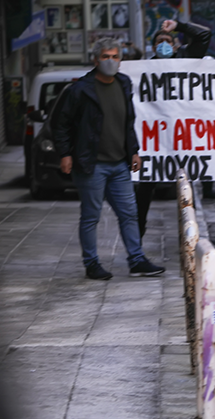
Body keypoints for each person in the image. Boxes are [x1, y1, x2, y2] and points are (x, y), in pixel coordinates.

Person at [53, 38, 165, 280]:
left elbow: (127, 122)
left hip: (119, 164)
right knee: (91, 216)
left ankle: (137, 260)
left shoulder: (124, 83)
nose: (111, 61)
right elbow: (60, 125)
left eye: (115, 57)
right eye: (106, 57)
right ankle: (91, 264)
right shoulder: (80, 90)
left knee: (129, 213)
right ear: (95, 60)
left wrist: (133, 150)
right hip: (91, 165)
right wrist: (65, 154)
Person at [138, 19, 212, 235]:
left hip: (183, 137)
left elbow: (204, 35)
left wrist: (178, 26)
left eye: (168, 41)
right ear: (153, 48)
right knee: (146, 186)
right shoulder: (146, 69)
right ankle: (138, 235)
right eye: (160, 41)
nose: (164, 44)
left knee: (185, 185)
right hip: (156, 138)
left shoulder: (187, 59)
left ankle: (191, 236)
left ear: (175, 45)